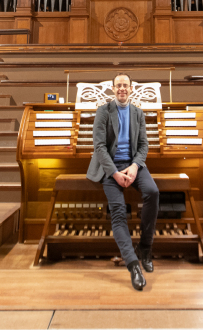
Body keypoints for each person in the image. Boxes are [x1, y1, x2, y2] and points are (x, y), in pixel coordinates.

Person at [86, 73, 159, 290]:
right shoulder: (103, 111)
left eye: (125, 85)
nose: (122, 89)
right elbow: (99, 147)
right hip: (110, 168)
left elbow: (144, 145)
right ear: (112, 88)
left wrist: (135, 166)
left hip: (133, 165)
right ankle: (133, 266)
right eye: (118, 86)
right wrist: (116, 174)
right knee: (118, 212)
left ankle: (145, 248)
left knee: (153, 192)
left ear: (131, 88)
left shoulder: (138, 113)